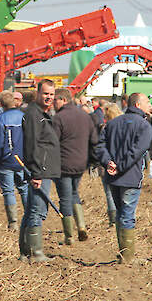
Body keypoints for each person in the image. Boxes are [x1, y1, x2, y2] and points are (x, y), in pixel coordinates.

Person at [96, 92, 152, 263]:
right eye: (146, 102)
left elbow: (100, 146)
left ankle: (122, 252)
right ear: (137, 105)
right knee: (128, 214)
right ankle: (127, 257)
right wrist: (119, 166)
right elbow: (137, 152)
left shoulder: (112, 123)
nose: (149, 105)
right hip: (130, 176)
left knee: (120, 213)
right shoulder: (144, 126)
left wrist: (109, 163)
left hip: (112, 177)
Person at [20, 79, 61, 263]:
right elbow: (32, 145)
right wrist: (36, 173)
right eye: (45, 94)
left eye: (51, 94)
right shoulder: (33, 114)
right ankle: (36, 253)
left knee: (31, 209)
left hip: (45, 169)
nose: (49, 97)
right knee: (37, 210)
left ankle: (25, 251)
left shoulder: (44, 114)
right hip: (40, 170)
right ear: (37, 93)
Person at [52, 88, 98, 244]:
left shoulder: (58, 118)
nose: (53, 103)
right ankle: (82, 226)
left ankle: (69, 236)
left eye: (55, 100)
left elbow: (53, 143)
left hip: (63, 164)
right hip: (80, 163)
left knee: (64, 198)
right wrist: (91, 161)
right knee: (74, 193)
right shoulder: (85, 116)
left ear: (63, 100)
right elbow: (94, 140)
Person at [0, 91, 26, 231]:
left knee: (8, 191)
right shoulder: (24, 117)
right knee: (24, 189)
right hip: (22, 161)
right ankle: (30, 217)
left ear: (1, 104)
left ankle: (13, 223)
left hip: (6, 162)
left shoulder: (0, 119)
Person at [100, 102, 124, 225]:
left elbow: (101, 147)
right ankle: (124, 217)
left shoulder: (106, 127)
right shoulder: (125, 126)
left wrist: (107, 162)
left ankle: (113, 219)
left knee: (109, 192)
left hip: (109, 164)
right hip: (124, 164)